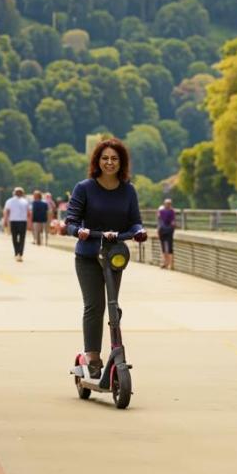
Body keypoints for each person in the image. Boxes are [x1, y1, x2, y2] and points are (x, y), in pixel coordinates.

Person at [64, 138, 143, 379]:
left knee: (113, 306)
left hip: (114, 256)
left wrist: (139, 231)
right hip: (88, 255)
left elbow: (134, 220)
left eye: (114, 158)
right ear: (98, 161)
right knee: (95, 306)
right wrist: (79, 231)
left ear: (122, 162)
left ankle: (116, 350)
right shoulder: (84, 188)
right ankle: (93, 356)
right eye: (105, 158)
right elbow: (71, 221)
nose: (109, 162)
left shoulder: (128, 189)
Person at [3, 187, 30, 262]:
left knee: (18, 238)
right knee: (18, 238)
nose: (18, 193)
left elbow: (28, 213)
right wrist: (5, 220)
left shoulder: (23, 201)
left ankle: (18, 253)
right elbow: (7, 211)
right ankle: (18, 253)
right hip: (17, 221)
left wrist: (5, 220)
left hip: (19, 221)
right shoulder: (12, 201)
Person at [157, 198, 177, 269]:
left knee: (166, 248)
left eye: (169, 204)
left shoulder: (162, 211)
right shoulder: (171, 211)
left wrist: (158, 230)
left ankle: (168, 264)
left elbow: (160, 221)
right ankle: (167, 264)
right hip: (165, 230)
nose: (168, 205)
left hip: (165, 230)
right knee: (167, 247)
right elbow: (173, 222)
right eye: (168, 204)